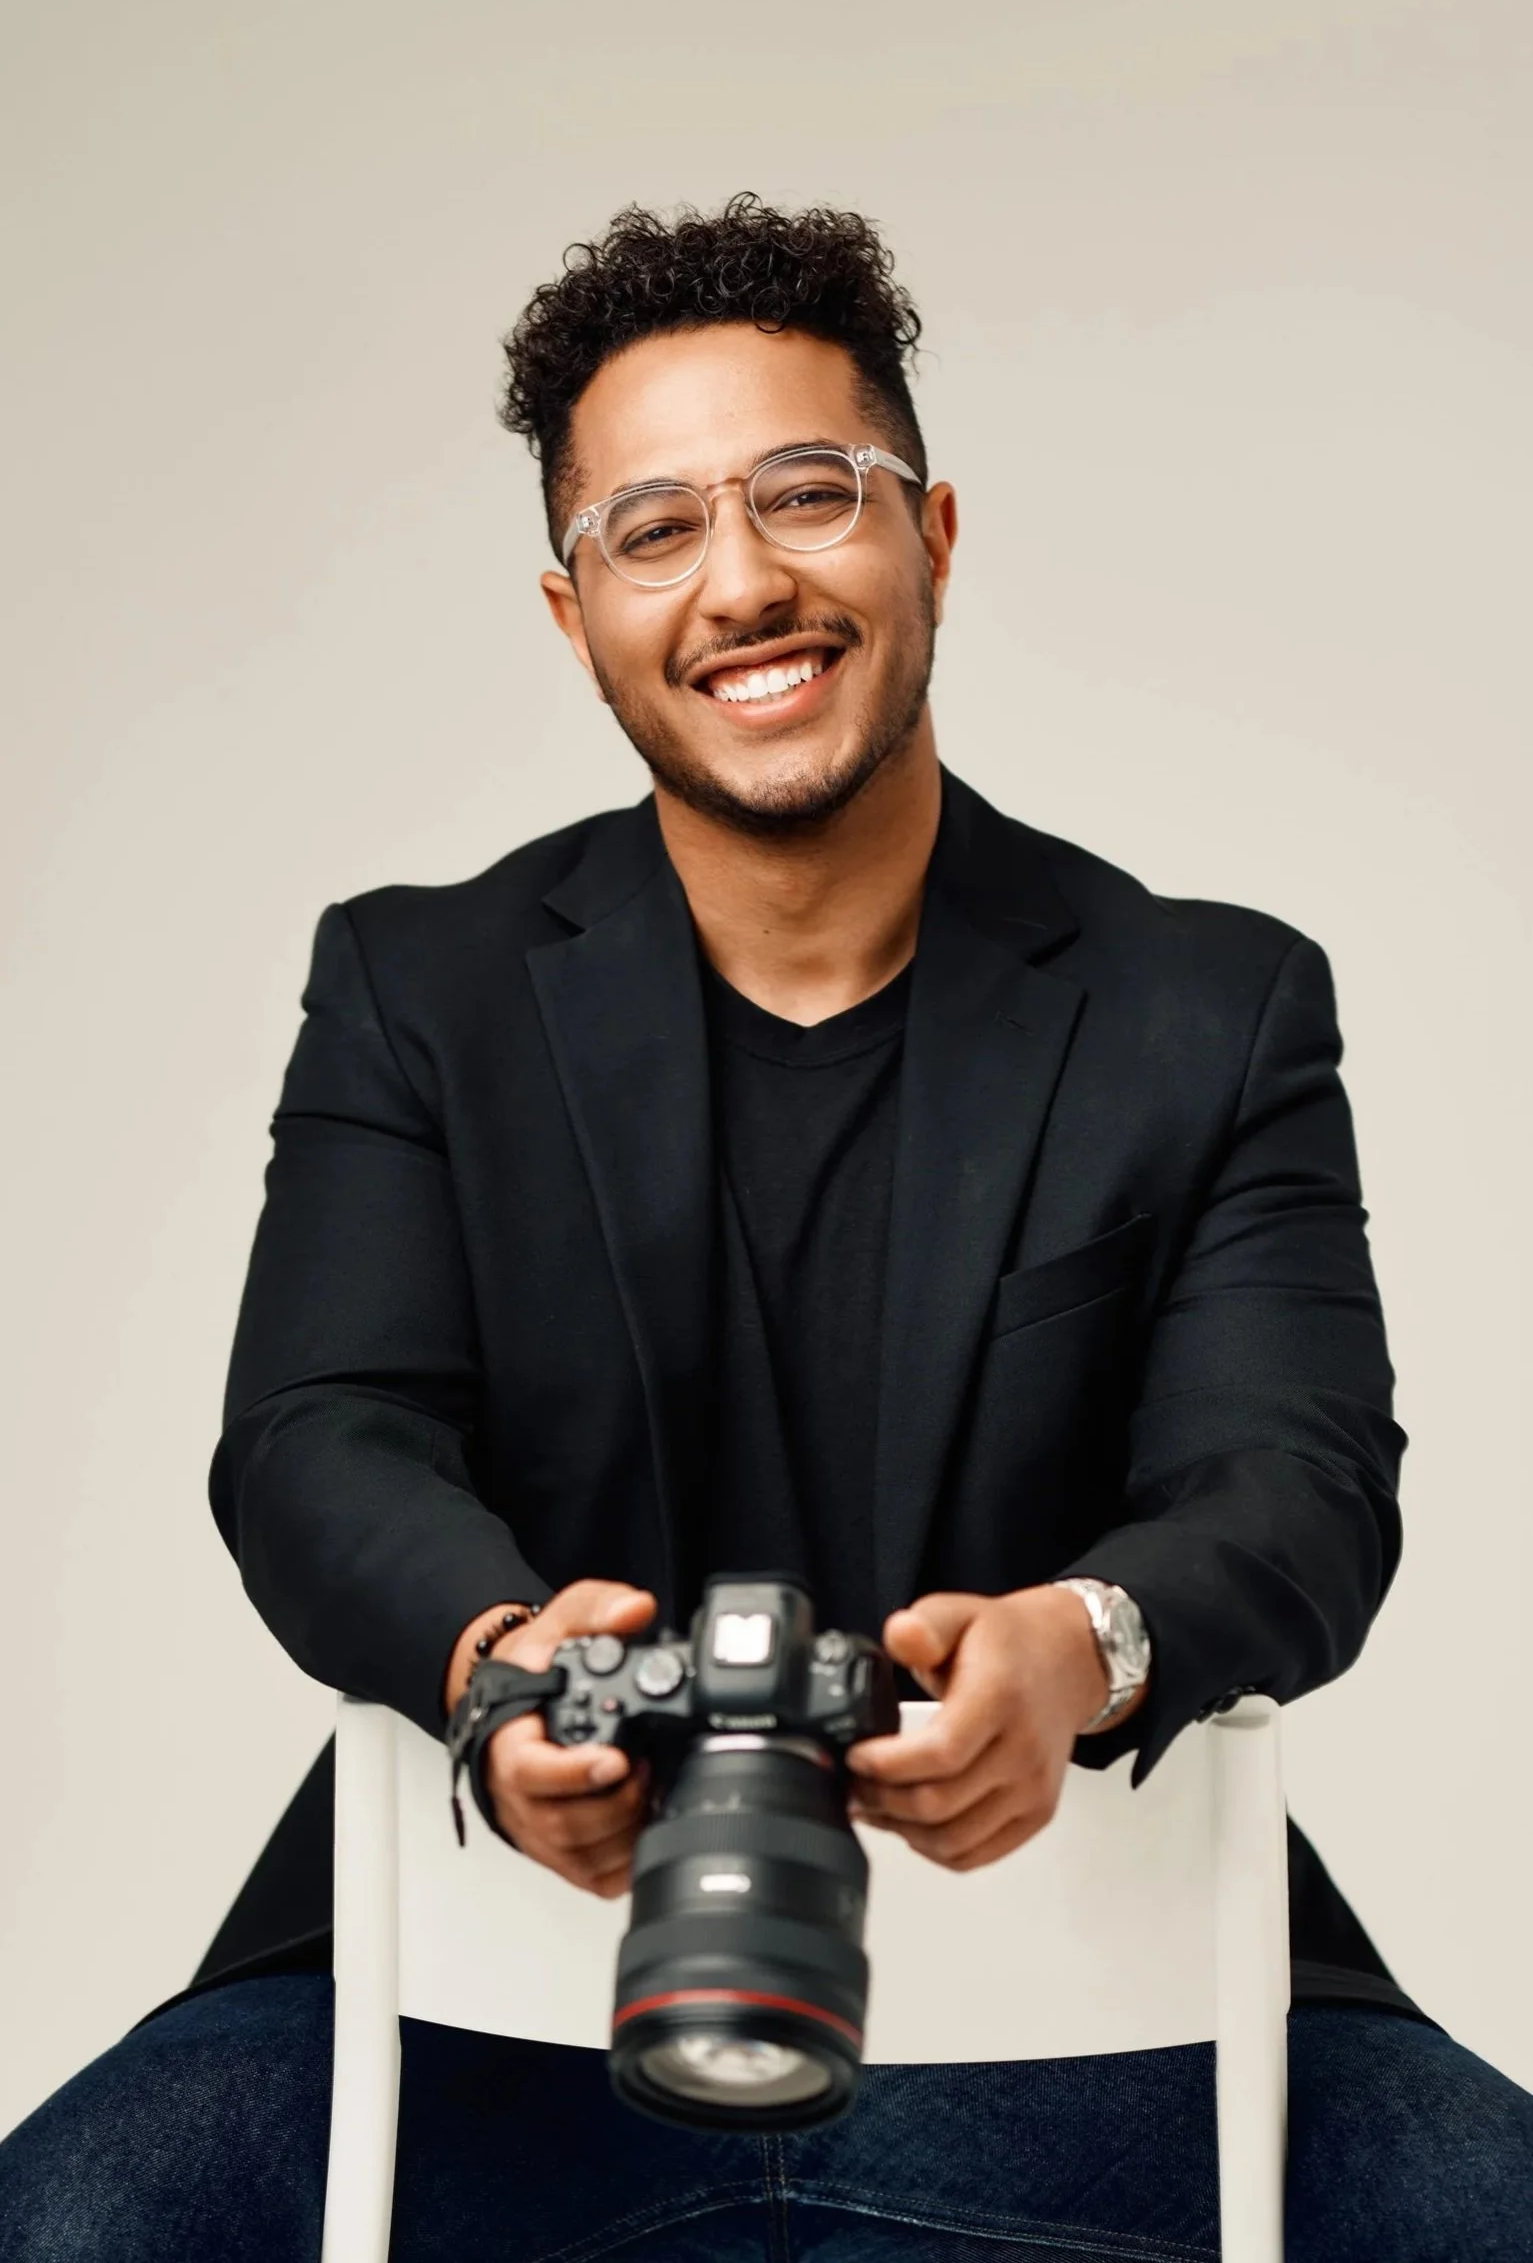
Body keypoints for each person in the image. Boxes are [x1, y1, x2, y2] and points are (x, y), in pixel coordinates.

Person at [2, 193, 1529, 2261]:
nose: (743, 582)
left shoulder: (1206, 1003)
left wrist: (1078, 1652)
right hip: (492, 1997)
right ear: (573, 614)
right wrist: (495, 1666)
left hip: (1107, 2000)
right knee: (77, 2221)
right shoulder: (418, 989)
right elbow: (314, 1438)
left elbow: (1300, 1481)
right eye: (654, 529)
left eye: (809, 494)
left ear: (935, 536)